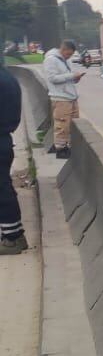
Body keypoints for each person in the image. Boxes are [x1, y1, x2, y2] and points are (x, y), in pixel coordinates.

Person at [42, 40, 84, 159]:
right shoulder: (51, 60)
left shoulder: (67, 60)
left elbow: (67, 76)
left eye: (71, 55)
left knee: (74, 124)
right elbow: (52, 78)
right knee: (62, 124)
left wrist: (75, 78)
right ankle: (60, 149)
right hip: (60, 97)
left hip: (71, 96)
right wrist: (71, 76)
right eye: (68, 54)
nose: (69, 57)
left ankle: (70, 146)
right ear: (63, 49)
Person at [0, 68, 26, 255]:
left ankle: (13, 238)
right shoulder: (8, 77)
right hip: (4, 137)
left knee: (2, 189)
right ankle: (12, 234)